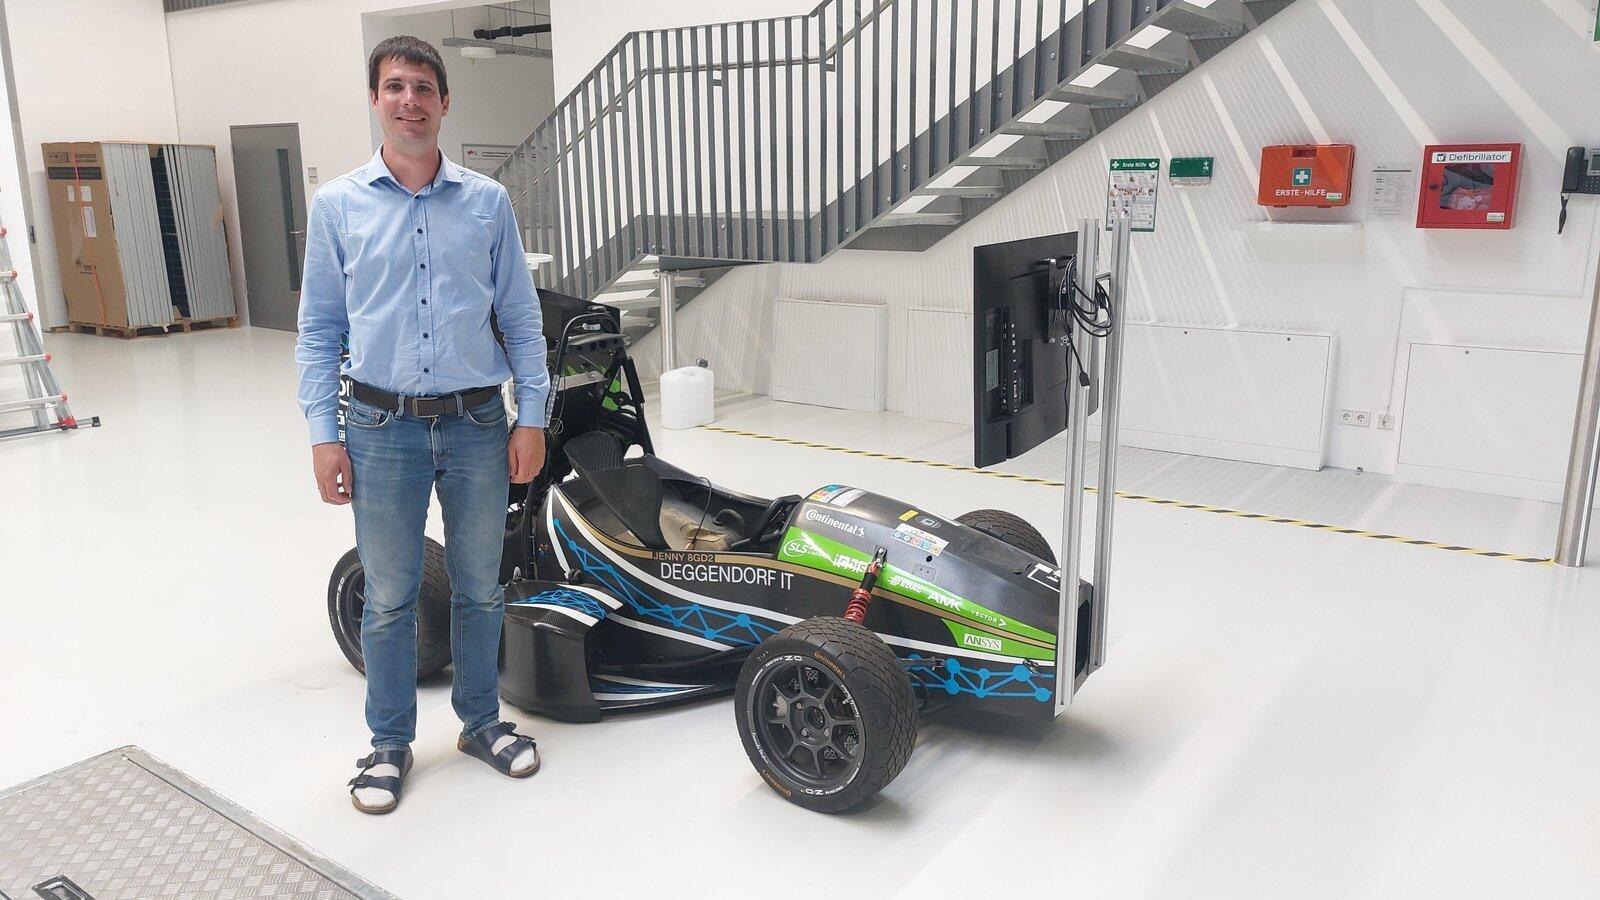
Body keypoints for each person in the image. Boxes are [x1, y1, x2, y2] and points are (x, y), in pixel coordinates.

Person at [295, 35, 550, 815]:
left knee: (480, 588)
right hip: (380, 427)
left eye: (423, 87)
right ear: (376, 99)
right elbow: (319, 329)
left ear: (444, 102)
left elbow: (520, 316)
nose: (410, 100)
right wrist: (324, 433)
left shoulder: (487, 203)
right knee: (389, 598)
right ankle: (388, 743)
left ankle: (480, 722)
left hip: (478, 423)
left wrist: (531, 416)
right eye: (395, 86)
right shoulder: (339, 206)